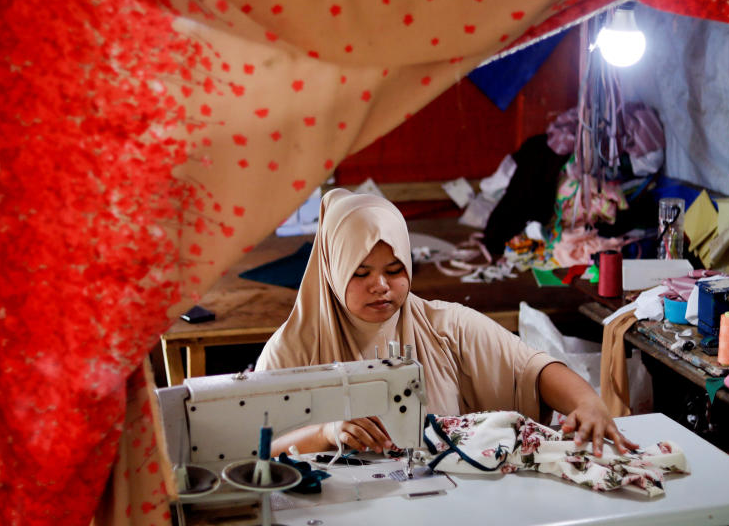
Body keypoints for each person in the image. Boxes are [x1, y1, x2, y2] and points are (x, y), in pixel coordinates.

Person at [257, 188, 636, 458]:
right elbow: (252, 452)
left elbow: (532, 368)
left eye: (395, 269)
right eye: (360, 274)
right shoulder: (291, 349)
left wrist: (587, 401)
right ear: (333, 271)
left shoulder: (445, 326)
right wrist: (325, 434)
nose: (382, 286)